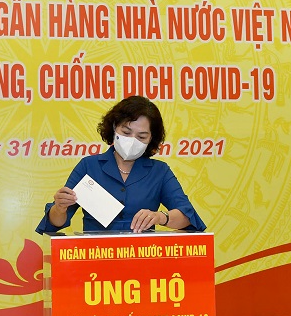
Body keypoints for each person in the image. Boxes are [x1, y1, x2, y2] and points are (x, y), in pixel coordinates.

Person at [35, 96, 206, 234]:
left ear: (151, 140)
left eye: (141, 137)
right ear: (114, 128)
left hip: (143, 257)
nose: (132, 140)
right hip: (94, 258)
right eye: (126, 132)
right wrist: (60, 208)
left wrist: (160, 217)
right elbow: (55, 223)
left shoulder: (160, 171)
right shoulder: (88, 166)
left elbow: (187, 216)